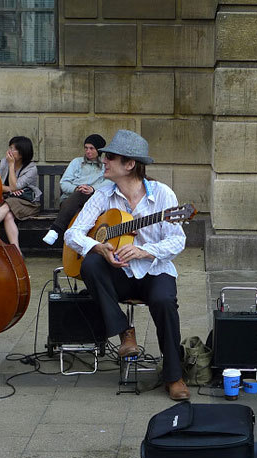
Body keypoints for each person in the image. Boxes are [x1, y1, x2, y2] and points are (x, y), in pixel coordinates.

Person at [64, 130, 190, 401]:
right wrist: (97, 246)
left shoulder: (163, 196)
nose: (103, 160)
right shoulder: (103, 194)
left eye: (110, 156)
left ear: (130, 164)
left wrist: (145, 250)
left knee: (165, 302)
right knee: (91, 265)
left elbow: (177, 241)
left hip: (154, 271)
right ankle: (125, 332)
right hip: (118, 275)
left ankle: (174, 375)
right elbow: (72, 234)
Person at [42, 133, 110, 245]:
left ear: (99, 150)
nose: (88, 151)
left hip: (93, 202)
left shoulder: (104, 165)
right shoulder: (77, 162)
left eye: (91, 148)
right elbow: (64, 183)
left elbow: (109, 183)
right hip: (70, 201)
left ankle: (55, 230)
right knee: (79, 197)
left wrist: (92, 189)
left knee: (84, 203)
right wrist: (77, 188)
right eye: (86, 148)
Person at [0, 135, 41, 249]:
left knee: (8, 206)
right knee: (8, 215)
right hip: (9, 200)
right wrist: (10, 190)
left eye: (13, 149)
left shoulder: (31, 168)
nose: (9, 151)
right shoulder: (4, 162)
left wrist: (11, 165)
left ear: (22, 152)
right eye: (9, 147)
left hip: (28, 203)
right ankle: (17, 252)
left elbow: (14, 187)